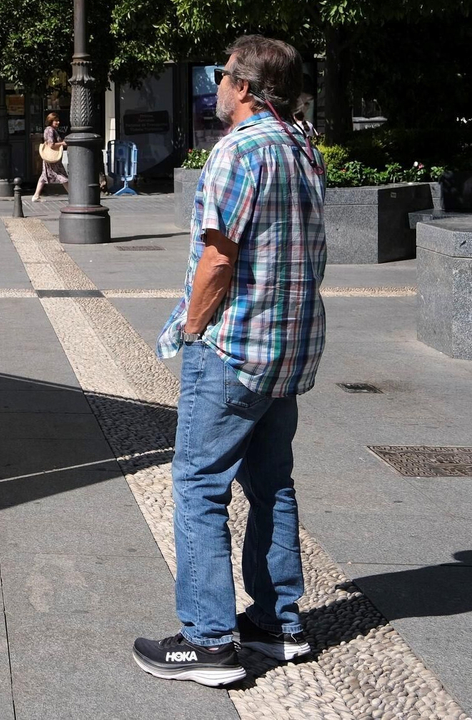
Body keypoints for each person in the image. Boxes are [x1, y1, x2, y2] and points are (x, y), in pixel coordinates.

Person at [133, 35, 327, 688]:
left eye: (220, 75)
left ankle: (209, 640)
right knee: (272, 482)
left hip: (234, 347)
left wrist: (191, 325)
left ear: (243, 86)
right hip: (288, 349)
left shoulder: (237, 152)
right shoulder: (302, 148)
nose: (214, 84)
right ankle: (278, 625)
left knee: (198, 483)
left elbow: (219, 256)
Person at [31, 112, 68, 202]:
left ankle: (36, 196)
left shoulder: (50, 129)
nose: (58, 122)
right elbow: (51, 144)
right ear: (50, 121)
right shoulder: (50, 130)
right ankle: (73, 195)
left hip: (49, 157)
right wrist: (62, 143)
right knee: (61, 175)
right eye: (56, 121)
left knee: (44, 176)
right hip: (52, 158)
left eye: (58, 120)